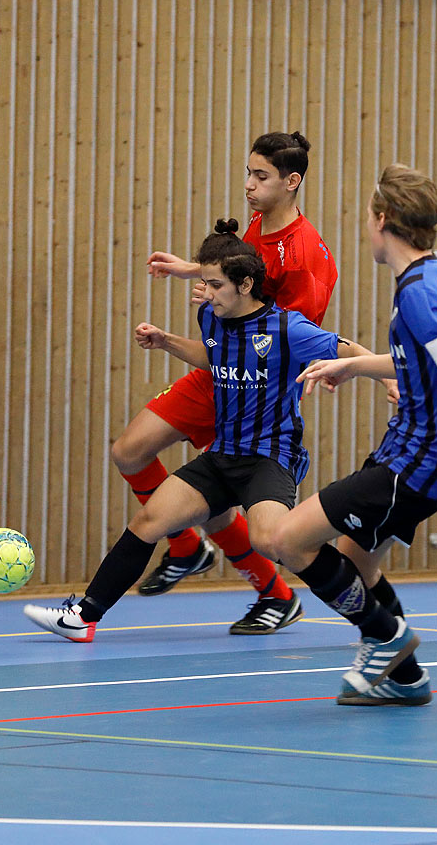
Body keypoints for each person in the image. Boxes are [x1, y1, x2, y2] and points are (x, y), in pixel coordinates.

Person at [254, 164, 437, 707]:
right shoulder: (431, 277)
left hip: (417, 462)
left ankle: (385, 636)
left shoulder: (421, 294)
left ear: (382, 220)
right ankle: (407, 678)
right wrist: (356, 367)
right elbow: (420, 360)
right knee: (356, 557)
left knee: (285, 539)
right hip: (411, 450)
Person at [24, 220, 356, 642]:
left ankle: (359, 595)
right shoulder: (211, 317)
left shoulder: (289, 330)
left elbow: (351, 351)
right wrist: (166, 342)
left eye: (215, 285)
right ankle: (83, 617)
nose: (205, 293)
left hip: (269, 459)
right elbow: (211, 355)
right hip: (222, 456)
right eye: (205, 283)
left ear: (246, 284)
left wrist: (383, 377)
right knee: (149, 520)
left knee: (272, 539)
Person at [109, 131, 341, 635]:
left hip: (248, 387)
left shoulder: (304, 256)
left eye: (260, 176)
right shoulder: (260, 222)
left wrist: (353, 369)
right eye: (249, 173)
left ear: (292, 181)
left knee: (212, 498)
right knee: (130, 452)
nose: (248, 185)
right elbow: (245, 275)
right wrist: (190, 270)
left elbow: (292, 335)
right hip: (218, 368)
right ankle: (188, 547)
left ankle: (277, 593)